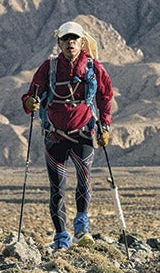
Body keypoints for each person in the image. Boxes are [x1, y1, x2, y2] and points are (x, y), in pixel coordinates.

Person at [22, 20, 114, 250]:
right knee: (57, 189)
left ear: (82, 42)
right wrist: (30, 102)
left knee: (84, 182)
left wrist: (105, 126)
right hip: (55, 136)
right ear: (59, 42)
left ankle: (82, 227)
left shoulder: (94, 68)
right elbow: (31, 95)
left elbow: (105, 97)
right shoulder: (48, 68)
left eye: (74, 39)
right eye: (66, 39)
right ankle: (61, 238)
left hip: (84, 133)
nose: (70, 43)